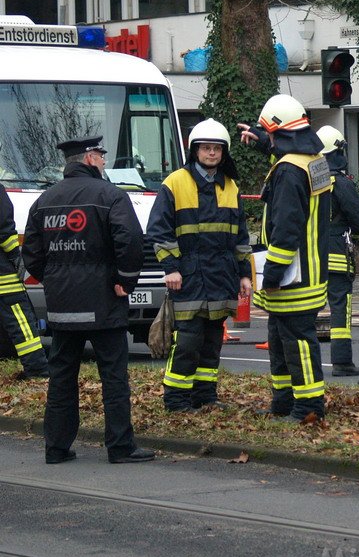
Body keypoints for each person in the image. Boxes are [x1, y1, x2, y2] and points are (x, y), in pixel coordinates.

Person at [22, 136, 154, 464]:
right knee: (113, 374)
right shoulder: (111, 196)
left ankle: (56, 447)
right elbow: (131, 241)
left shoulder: (44, 201)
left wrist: (54, 279)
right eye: (102, 157)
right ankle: (120, 446)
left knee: (62, 375)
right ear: (91, 158)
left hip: (63, 305)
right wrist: (125, 280)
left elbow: (32, 256)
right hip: (105, 303)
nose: (105, 163)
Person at [147, 119, 252, 412]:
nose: (211, 153)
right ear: (194, 151)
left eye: (216, 148)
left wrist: (244, 274)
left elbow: (241, 236)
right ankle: (176, 400)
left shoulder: (231, 186)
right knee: (188, 342)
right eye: (205, 148)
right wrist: (171, 268)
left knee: (212, 341)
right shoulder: (175, 183)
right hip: (189, 276)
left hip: (221, 275)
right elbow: (158, 230)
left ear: (224, 152)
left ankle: (205, 397)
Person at [240, 95, 331, 421]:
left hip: (292, 278)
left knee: (297, 346)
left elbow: (286, 228)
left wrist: (273, 274)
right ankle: (283, 402)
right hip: (310, 273)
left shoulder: (288, 173)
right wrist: (265, 140)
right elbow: (290, 151)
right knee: (281, 344)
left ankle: (308, 407)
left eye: (270, 133)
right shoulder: (315, 160)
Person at [316, 125, 359, 377]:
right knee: (340, 309)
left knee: (306, 309)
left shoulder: (308, 181)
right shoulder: (341, 184)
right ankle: (342, 362)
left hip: (311, 257)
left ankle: (305, 362)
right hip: (336, 256)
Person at [0, 183, 49, 379]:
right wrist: (14, 256)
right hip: (3, 275)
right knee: (21, 322)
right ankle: (37, 369)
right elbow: (4, 228)